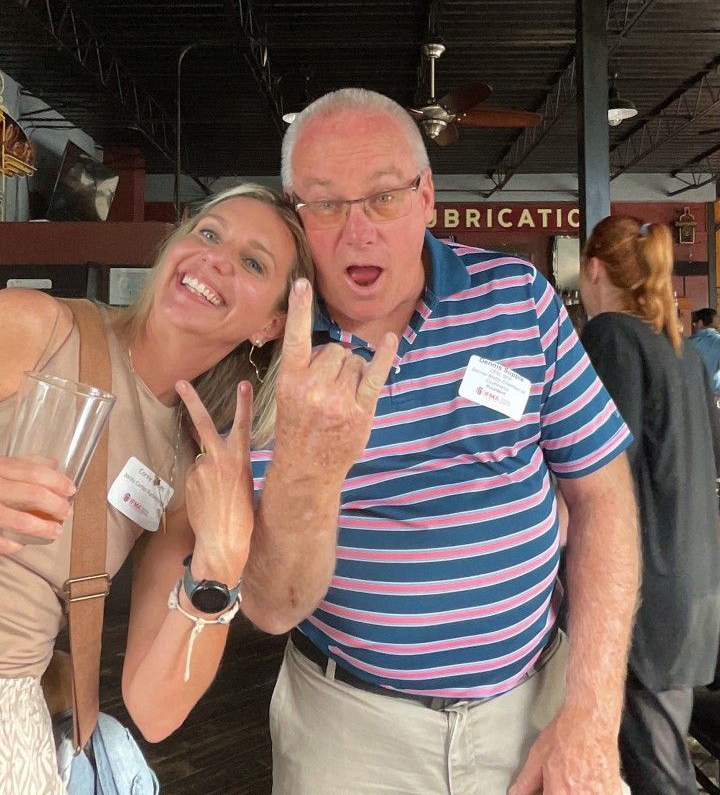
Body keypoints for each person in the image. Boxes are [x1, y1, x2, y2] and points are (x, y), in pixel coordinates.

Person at [240, 88, 641, 795]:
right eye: (325, 204)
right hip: (348, 731)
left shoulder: (519, 298)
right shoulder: (263, 350)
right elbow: (271, 607)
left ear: (427, 196)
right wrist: (309, 465)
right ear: (294, 213)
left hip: (532, 708)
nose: (356, 230)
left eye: (384, 197)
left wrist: (593, 713)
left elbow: (603, 496)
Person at [0, 182, 316, 795]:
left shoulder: (183, 469)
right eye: (207, 232)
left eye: (253, 262)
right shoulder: (40, 329)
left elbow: (154, 709)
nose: (216, 258)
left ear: (271, 325)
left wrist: (220, 566)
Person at [579, 215, 720, 795]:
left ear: (591, 269)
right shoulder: (680, 350)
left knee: (661, 777)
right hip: (690, 590)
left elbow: (601, 469)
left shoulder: (611, 335)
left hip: (643, 600)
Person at [689, 306, 720, 395]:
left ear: (700, 323)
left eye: (694, 323)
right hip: (716, 396)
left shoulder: (687, 343)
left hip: (694, 396)